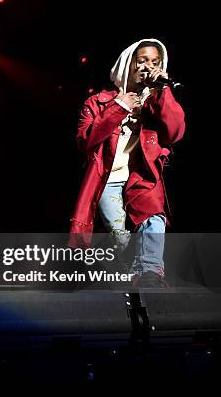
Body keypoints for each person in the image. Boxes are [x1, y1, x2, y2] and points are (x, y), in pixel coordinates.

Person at [69, 39, 185, 287]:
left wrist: (163, 92)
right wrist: (119, 108)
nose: (148, 67)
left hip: (142, 175)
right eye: (142, 61)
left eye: (155, 62)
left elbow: (175, 132)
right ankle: (124, 278)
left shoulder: (156, 101)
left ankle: (151, 273)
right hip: (107, 176)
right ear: (127, 64)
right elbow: (85, 141)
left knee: (153, 217)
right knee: (119, 235)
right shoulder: (98, 102)